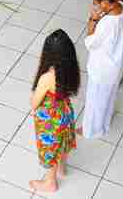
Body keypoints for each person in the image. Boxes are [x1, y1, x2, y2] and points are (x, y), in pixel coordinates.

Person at [29, 29, 80, 193]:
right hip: (65, 111)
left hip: (50, 117)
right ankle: (62, 168)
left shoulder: (47, 77)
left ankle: (50, 182)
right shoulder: (70, 68)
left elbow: (34, 102)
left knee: (51, 147)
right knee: (63, 140)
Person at [80, 0, 123, 140]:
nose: (95, 6)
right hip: (116, 64)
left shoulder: (107, 24)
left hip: (102, 68)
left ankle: (91, 130)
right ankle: (104, 124)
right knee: (108, 96)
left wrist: (93, 20)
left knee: (94, 100)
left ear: (105, 3)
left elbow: (90, 42)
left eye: (96, 3)